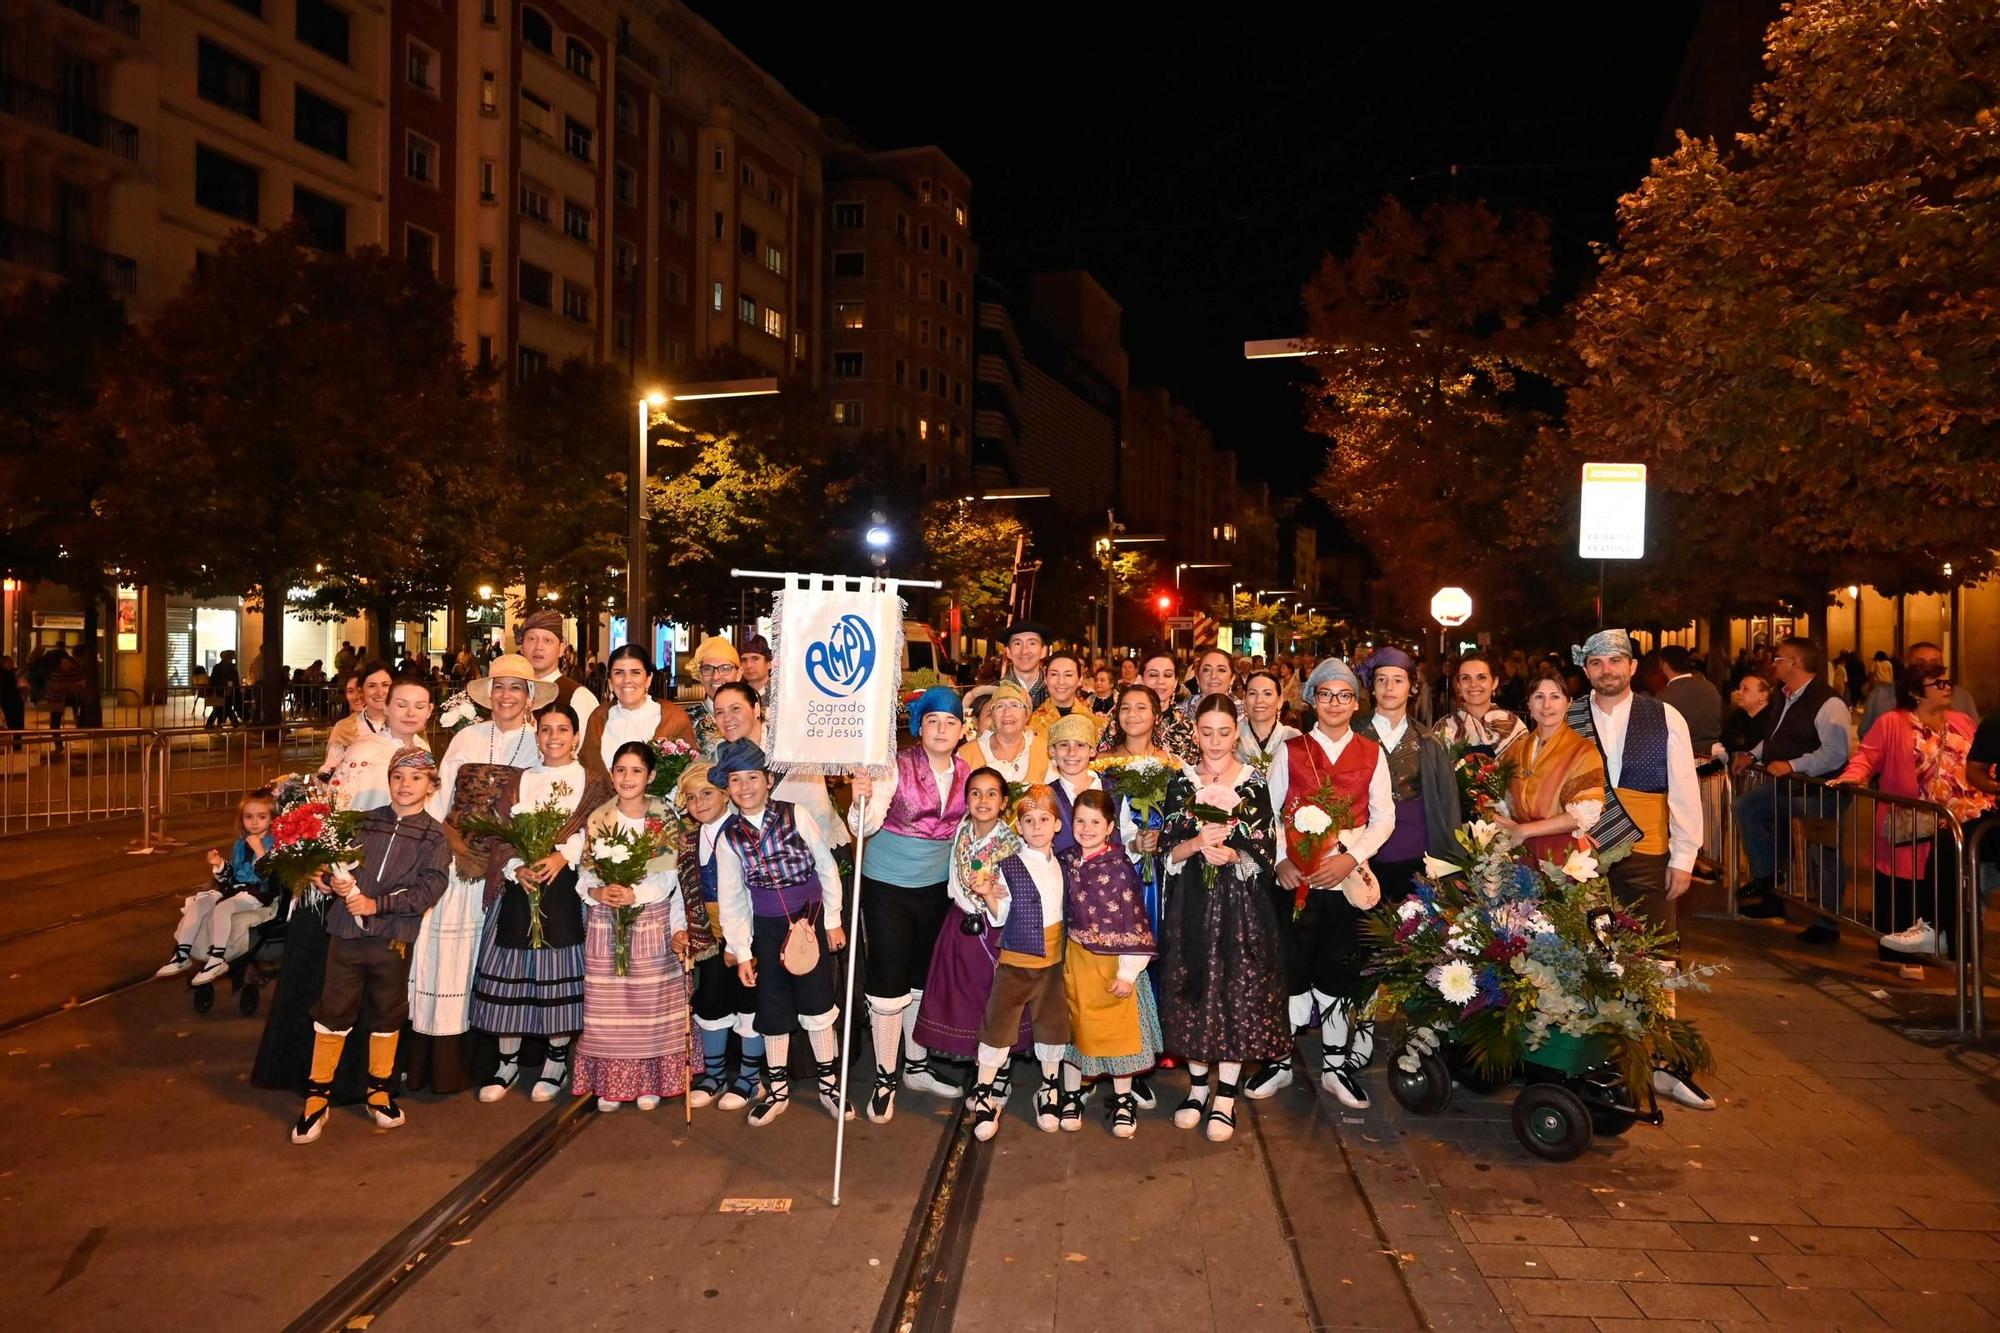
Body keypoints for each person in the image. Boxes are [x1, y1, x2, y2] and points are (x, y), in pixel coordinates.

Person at [1567, 629, 1712, 1111]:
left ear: (1632, 667)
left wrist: (1685, 856)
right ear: (1585, 670)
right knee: (1589, 951)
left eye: (1615, 661)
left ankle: (1662, 1061)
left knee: (1655, 956)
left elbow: (1684, 788)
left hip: (1648, 851)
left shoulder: (1664, 715)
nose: (1606, 670)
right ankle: (1601, 1056)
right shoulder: (1568, 718)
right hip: (1583, 854)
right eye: (1596, 663)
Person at [407, 652, 553, 1095]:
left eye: (516, 688)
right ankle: (442, 1057)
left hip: (507, 865)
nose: (506, 695)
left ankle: (501, 1056)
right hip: (458, 860)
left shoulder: (540, 742)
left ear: (530, 697)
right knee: (446, 958)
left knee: (496, 960)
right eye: (500, 686)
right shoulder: (466, 737)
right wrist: (446, 846)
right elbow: (440, 797)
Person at [289, 748, 450, 1144]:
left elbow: (430, 887)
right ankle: (317, 1094)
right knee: (334, 1008)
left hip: (392, 937)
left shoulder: (435, 836)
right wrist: (328, 880)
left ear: (432, 786)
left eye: (415, 778)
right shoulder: (362, 822)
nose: (405, 785)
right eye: (398, 776)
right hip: (346, 932)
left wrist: (378, 905)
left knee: (387, 1009)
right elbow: (330, 863)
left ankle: (379, 1090)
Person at [1257, 658, 1395, 1109]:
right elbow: (1269, 813)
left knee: (1338, 972)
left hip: (1345, 882)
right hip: (1296, 881)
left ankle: (1335, 1066)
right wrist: (1280, 861)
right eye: (1325, 694)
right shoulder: (1291, 751)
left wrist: (1351, 858)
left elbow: (1384, 818)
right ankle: (1278, 1061)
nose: (1334, 703)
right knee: (1289, 970)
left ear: (1356, 703)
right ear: (1311, 699)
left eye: (1344, 695)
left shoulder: (1372, 753)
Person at [1157, 696, 1289, 1143]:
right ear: (1195, 733)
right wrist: (1195, 844)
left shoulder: (1253, 783)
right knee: (1194, 986)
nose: (1215, 741)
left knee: (1236, 989)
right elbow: (1166, 851)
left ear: (1237, 733)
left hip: (1240, 906)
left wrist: (1234, 853)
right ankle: (1196, 1088)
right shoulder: (1181, 781)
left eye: (1224, 732)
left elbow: (1267, 849)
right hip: (1191, 904)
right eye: (1206, 732)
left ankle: (1226, 1095)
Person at [469, 703, 607, 1104]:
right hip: (519, 890)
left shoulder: (593, 782)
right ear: (536, 735)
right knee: (510, 976)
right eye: (545, 730)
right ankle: (506, 1063)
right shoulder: (520, 781)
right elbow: (500, 833)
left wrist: (564, 856)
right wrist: (516, 866)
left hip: (566, 891)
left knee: (556, 978)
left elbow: (597, 826)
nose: (553, 737)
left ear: (576, 737)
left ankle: (555, 1060)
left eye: (562, 730)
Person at [711, 738, 851, 1125]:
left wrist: (833, 920)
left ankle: (829, 1084)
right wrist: (742, 951)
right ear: (728, 787)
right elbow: (733, 899)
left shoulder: (796, 814)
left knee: (819, 1004)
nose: (745, 787)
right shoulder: (729, 838)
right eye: (736, 780)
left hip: (809, 921)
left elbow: (825, 866)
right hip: (767, 931)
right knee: (772, 1008)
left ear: (768, 779)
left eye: (753, 777)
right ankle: (776, 1089)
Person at [847, 687, 972, 1115]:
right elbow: (864, 825)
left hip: (937, 888)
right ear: (919, 726)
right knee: (888, 977)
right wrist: (861, 798)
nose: (941, 729)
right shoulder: (892, 767)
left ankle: (916, 1066)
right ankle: (885, 1077)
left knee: (923, 977)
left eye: (950, 723)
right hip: (887, 885)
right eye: (933, 721)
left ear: (961, 730)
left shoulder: (968, 769)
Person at [1832, 662, 1991, 978]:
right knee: (1908, 889)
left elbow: (1982, 761)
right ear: (1917, 691)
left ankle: (1959, 954)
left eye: (1948, 682)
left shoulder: (1961, 722)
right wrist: (1852, 776)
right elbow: (1867, 756)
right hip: (1914, 822)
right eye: (1939, 683)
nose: (1947, 688)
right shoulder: (1893, 722)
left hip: (1961, 821)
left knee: (1959, 889)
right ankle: (1908, 957)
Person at [572, 741, 702, 1112]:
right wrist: (597, 890)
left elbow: (668, 876)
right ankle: (612, 1084)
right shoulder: (599, 817)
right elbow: (585, 872)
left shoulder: (663, 815)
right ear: (611, 774)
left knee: (649, 1007)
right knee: (608, 1010)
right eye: (620, 770)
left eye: (636, 771)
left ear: (651, 776)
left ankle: (651, 1081)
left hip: (650, 921)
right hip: (606, 924)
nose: (627, 778)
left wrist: (634, 894)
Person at [903, 767, 1032, 1122]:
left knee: (997, 1002)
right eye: (975, 793)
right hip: (960, 925)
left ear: (1005, 803)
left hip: (994, 930)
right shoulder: (961, 831)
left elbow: (1012, 900)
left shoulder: (1012, 845)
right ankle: (982, 1070)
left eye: (992, 794)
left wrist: (991, 899)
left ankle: (999, 1073)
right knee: (966, 998)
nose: (983, 800)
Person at [961, 785, 1073, 1140]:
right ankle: (984, 1091)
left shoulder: (1064, 864)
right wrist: (988, 896)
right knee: (1000, 1023)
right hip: (1017, 961)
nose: (1036, 827)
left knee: (1053, 1023)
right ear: (1019, 826)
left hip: (1054, 962)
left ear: (1057, 824)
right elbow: (1001, 916)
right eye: (1028, 821)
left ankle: (1050, 1085)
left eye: (1044, 819)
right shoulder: (1008, 866)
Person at [1057, 790, 1160, 1138]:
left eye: (1095, 822)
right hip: (1076, 960)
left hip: (1115, 965)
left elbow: (1135, 919)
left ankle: (1122, 1099)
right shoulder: (1066, 860)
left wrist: (1129, 973)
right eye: (1081, 821)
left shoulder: (1119, 866)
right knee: (1076, 1030)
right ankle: (1070, 1094)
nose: (1087, 829)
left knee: (1119, 1033)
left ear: (1111, 826)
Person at [1734, 637, 1851, 931]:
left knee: (1821, 854)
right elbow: (1775, 736)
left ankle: (1828, 921)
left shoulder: (1829, 702)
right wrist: (1753, 754)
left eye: (1780, 658)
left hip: (1817, 791)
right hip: (1788, 786)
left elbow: (1835, 752)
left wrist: (1793, 765)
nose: (1775, 663)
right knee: (1748, 807)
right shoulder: (1785, 696)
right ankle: (1768, 878)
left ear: (1796, 663)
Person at [679, 763, 765, 1111]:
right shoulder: (687, 839)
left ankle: (749, 1078)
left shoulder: (742, 831)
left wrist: (736, 944)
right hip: (706, 934)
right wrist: (679, 927)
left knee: (749, 1002)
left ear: (725, 794)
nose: (698, 803)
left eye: (707, 793)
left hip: (746, 933)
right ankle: (714, 1076)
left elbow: (749, 891)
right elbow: (679, 889)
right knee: (712, 1000)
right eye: (690, 797)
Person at [1358, 648, 1459, 905]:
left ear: (1412, 688)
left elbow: (1447, 807)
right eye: (1381, 679)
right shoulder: (1353, 735)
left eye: (1398, 680)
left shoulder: (1429, 742)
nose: (1389, 687)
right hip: (1362, 855)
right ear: (1371, 686)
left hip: (1415, 854)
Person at [157, 790, 279, 982]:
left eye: (261, 817)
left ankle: (217, 958)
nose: (254, 822)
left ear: (271, 819)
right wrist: (219, 865)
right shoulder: (240, 844)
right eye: (248, 817)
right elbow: (231, 876)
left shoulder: (274, 844)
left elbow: (270, 877)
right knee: (200, 904)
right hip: (234, 891)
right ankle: (182, 954)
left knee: (223, 908)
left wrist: (260, 851)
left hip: (256, 895)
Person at [1493, 674, 1606, 863]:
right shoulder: (1515, 749)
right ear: (1528, 703)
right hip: (1518, 851)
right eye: (1538, 697)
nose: (1546, 705)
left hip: (1562, 852)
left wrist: (1526, 830)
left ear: (1568, 703)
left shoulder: (1583, 751)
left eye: (1555, 697)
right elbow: (1503, 803)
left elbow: (1585, 813)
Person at [579, 644, 697, 786]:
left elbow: (692, 775)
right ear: (610, 682)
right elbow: (586, 770)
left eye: (635, 672)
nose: (627, 680)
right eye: (619, 673)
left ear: (648, 679)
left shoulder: (673, 718)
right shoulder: (598, 718)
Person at [325, 676, 433, 815]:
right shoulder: (363, 751)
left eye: (419, 706)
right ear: (386, 708)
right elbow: (341, 806)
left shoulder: (422, 747)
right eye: (401, 705)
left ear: (429, 711)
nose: (411, 713)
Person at [1860, 641, 1978, 739]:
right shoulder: (1881, 697)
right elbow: (1866, 735)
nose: (1928, 667)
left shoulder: (1962, 698)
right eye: (1921, 664)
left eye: (1934, 663)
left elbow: (1976, 739)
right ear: (1907, 665)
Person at [1432, 652, 1526, 760]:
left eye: (1481, 677)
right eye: (1465, 678)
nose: (1473, 684)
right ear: (1458, 685)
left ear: (1494, 682)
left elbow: (1524, 770)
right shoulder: (1445, 726)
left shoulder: (1513, 726)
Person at [517, 608, 597, 735]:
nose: (538, 647)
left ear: (561, 648)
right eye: (531, 639)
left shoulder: (578, 697)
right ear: (522, 647)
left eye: (547, 640)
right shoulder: (513, 692)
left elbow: (586, 751)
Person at [958, 680, 1050, 785]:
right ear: (992, 715)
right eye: (1000, 706)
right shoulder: (965, 755)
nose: (1007, 713)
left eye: (1015, 705)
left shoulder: (1044, 750)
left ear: (1027, 714)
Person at [320, 662, 394, 781]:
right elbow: (330, 771)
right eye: (371, 686)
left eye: (385, 685)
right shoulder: (344, 727)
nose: (380, 692)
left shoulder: (405, 723)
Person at [1045, 712, 1106, 853]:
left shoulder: (1115, 791)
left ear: (1092, 751)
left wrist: (1137, 844)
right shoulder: (1044, 797)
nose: (1071, 753)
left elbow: (1127, 835)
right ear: (1052, 751)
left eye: (1080, 745)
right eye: (1064, 745)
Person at [1237, 669, 1300, 773]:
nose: (1259, 700)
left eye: (1267, 694)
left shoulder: (1292, 737)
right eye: (1252, 693)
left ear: (1279, 701)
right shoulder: (1233, 736)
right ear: (1244, 699)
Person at [1028, 651, 1101, 740]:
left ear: (1080, 679)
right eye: (1054, 674)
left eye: (1068, 675)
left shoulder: (1096, 724)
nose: (1061, 682)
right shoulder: (1030, 725)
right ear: (1045, 678)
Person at [687, 636, 741, 755]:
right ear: (700, 675)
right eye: (707, 669)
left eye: (725, 668)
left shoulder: (755, 715)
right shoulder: (685, 719)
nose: (716, 676)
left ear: (738, 674)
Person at [1720, 670, 1776, 762]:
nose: (1739, 692)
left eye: (1745, 689)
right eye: (1739, 688)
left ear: (1763, 696)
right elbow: (1724, 743)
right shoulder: (1738, 716)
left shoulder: (1773, 720)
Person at [999, 620, 1051, 709]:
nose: (1024, 651)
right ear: (1008, 652)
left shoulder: (1055, 693)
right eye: (1017, 644)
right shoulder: (994, 692)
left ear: (1043, 651)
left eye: (1032, 643)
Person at [1183, 650, 1240, 725]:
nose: (1213, 676)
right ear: (1197, 677)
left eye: (1221, 670)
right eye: (1206, 670)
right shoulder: (1180, 712)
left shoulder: (1247, 713)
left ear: (1232, 678)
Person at [204, 650, 243, 729]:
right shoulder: (231, 667)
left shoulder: (217, 666)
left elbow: (212, 680)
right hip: (228, 690)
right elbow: (232, 679)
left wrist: (212, 690)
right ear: (231, 657)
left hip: (219, 690)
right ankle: (234, 723)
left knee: (220, 707)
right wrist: (233, 688)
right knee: (225, 707)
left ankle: (213, 724)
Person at [737, 634, 772, 701]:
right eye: (744, 660)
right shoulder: (737, 695)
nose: (748, 666)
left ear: (769, 664)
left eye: (755, 659)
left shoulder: (781, 694)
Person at [0, 654, 22, 733]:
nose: (11, 664)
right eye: (8, 663)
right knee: (14, 726)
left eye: (11, 663)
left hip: (13, 702)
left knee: (16, 726)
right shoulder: (6, 674)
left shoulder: (10, 674)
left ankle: (16, 743)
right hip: (10, 703)